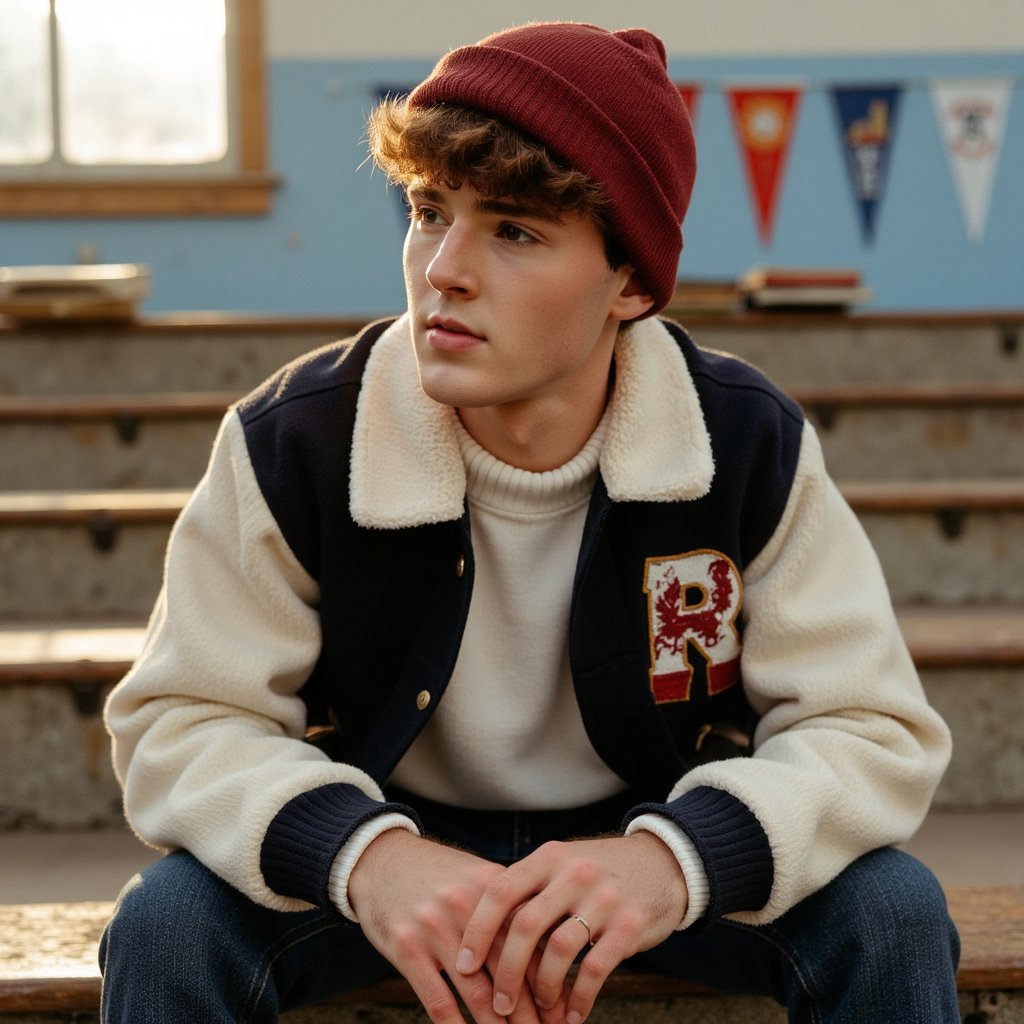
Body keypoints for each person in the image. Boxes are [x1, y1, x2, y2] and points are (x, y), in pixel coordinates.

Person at [99, 21, 960, 1024]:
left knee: (894, 908)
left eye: (513, 230)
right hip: (391, 832)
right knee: (165, 922)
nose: (443, 270)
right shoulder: (296, 437)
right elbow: (181, 720)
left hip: (647, 836)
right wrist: (364, 854)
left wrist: (672, 859)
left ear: (629, 284)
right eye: (428, 212)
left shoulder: (740, 438)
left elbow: (869, 727)